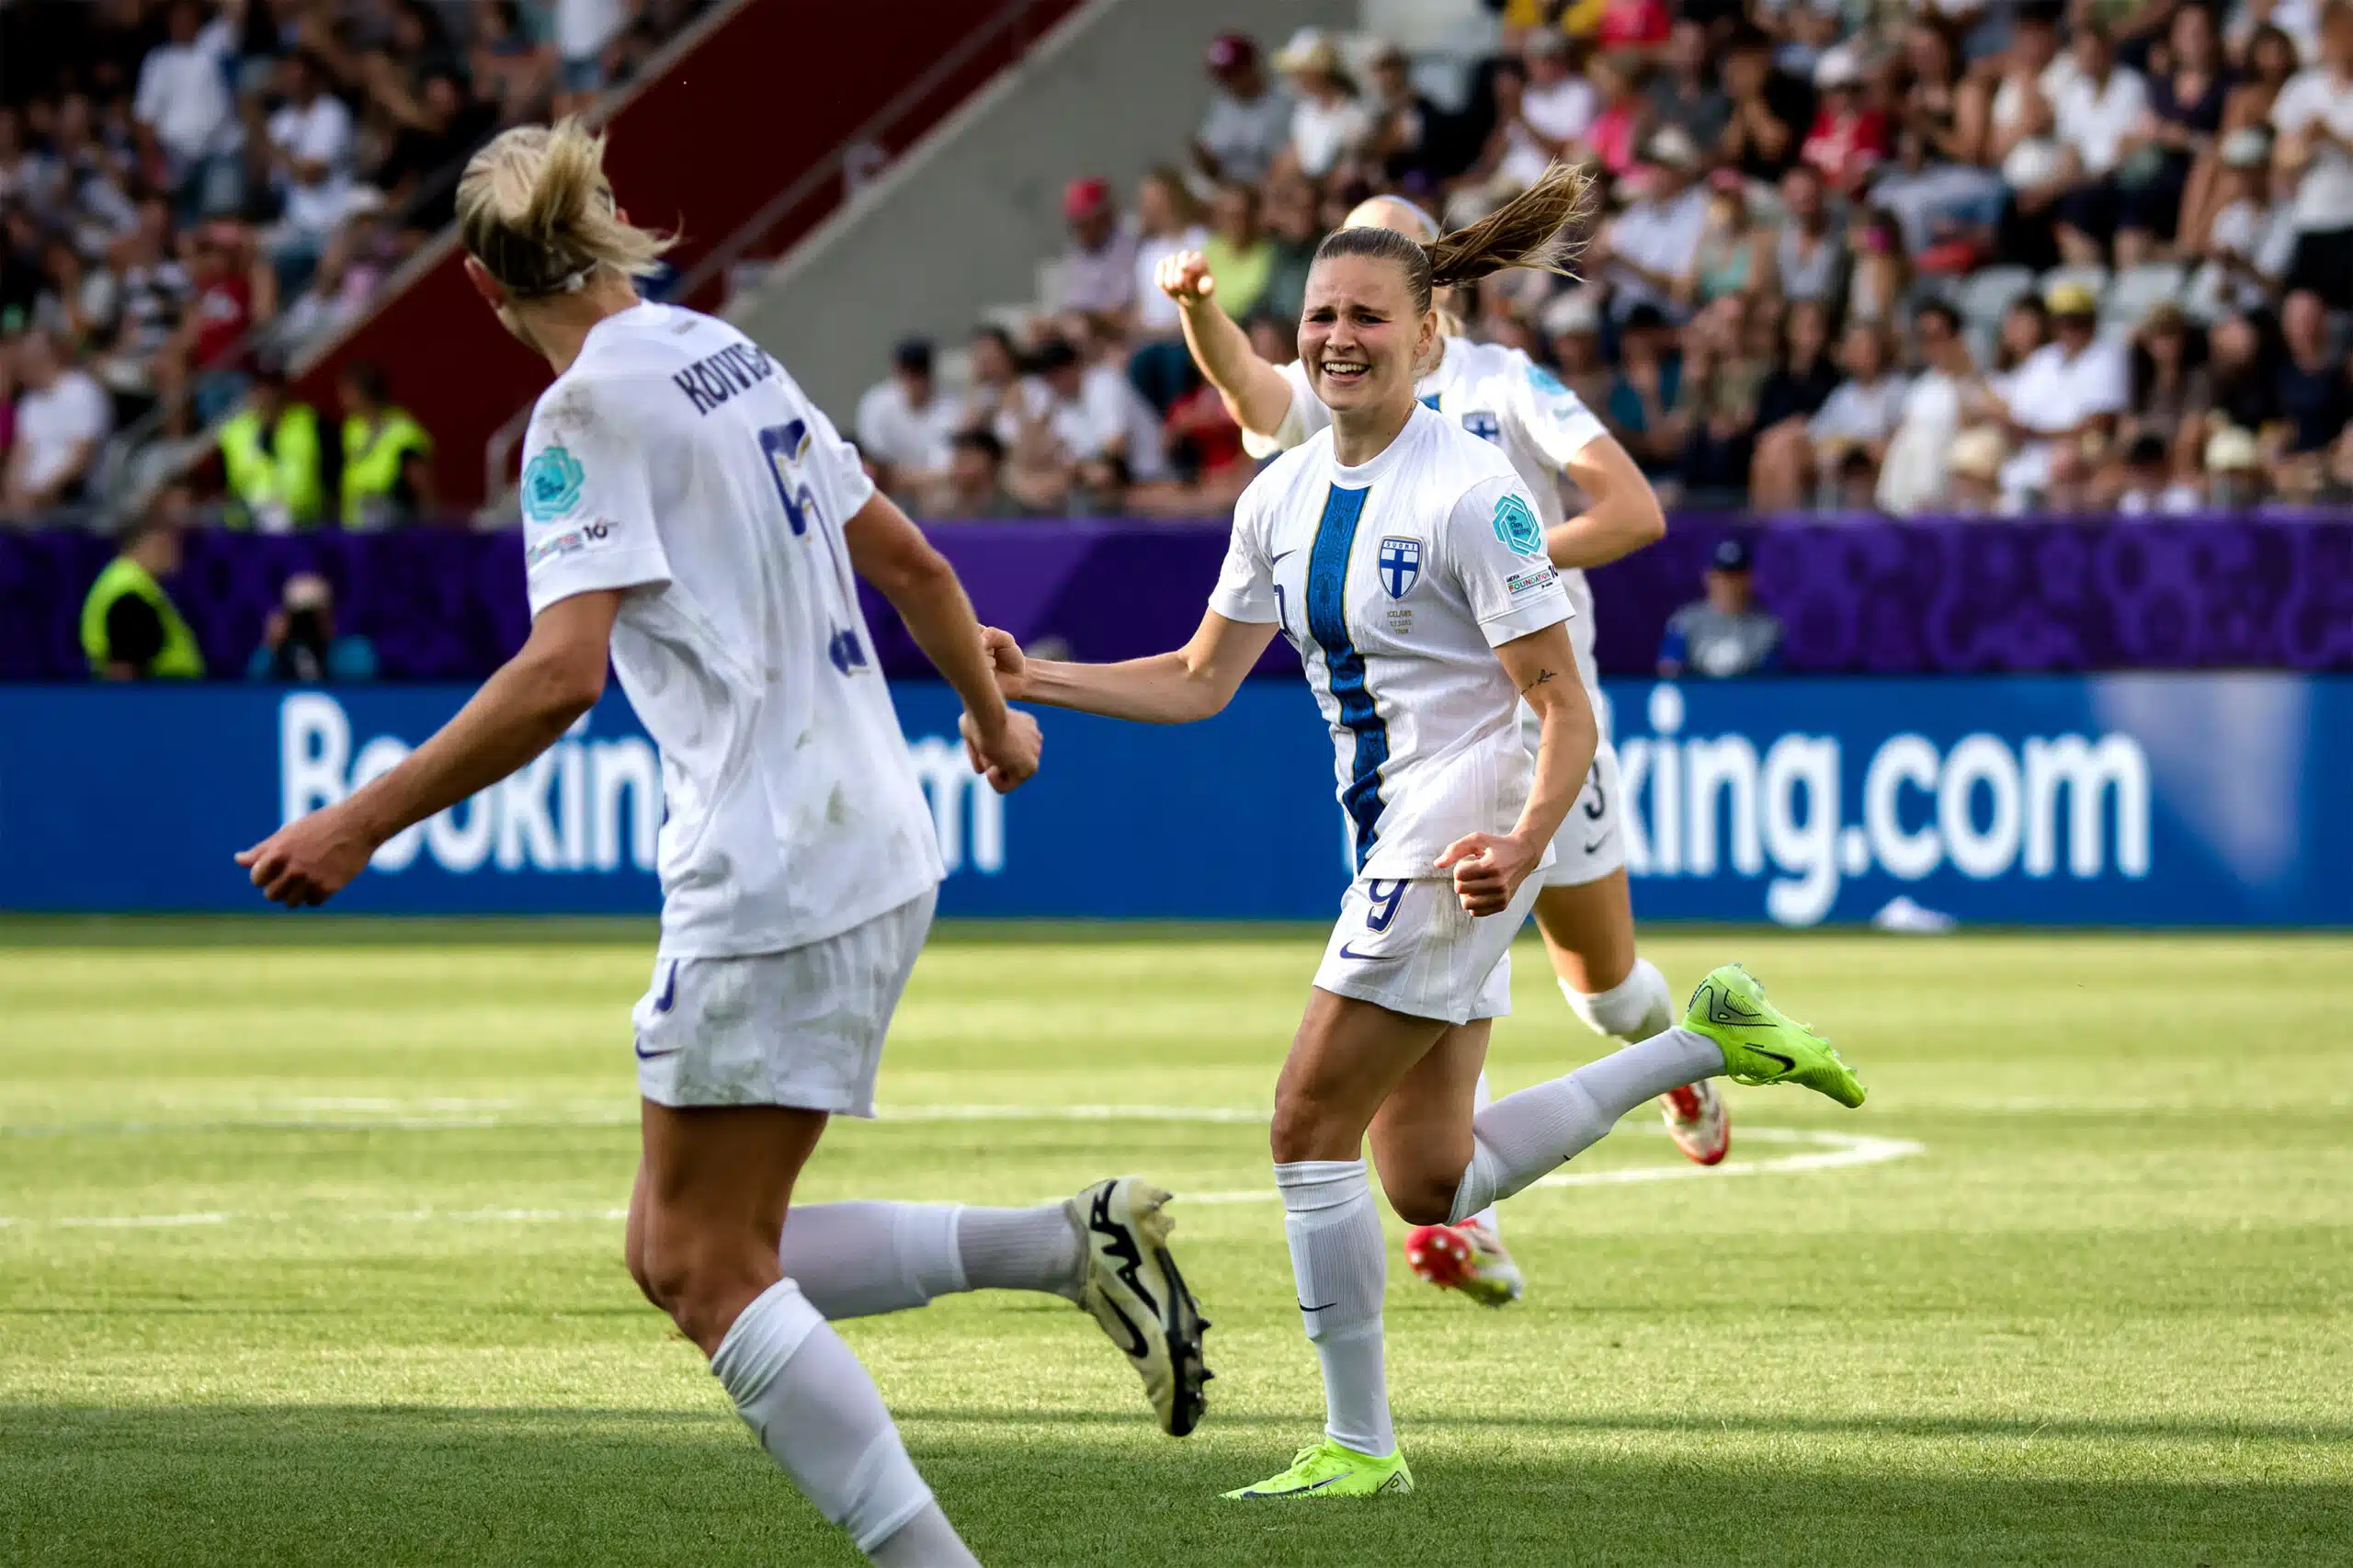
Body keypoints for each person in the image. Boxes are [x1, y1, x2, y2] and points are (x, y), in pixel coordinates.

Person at [233, 120, 1210, 1568]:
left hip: (774, 857)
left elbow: (560, 674)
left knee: (702, 1264)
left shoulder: (581, 416)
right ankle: (1068, 1245)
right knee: (680, 1245)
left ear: (482, 289)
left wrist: (358, 816)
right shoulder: (725, 352)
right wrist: (993, 717)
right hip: (877, 832)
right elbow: (914, 561)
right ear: (606, 227)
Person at [985, 173, 1865, 1499]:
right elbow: (1199, 678)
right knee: (1432, 1180)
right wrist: (1032, 677)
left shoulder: (1474, 491)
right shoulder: (1281, 493)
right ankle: (1705, 1040)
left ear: (1424, 330)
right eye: (1321, 315)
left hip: (1454, 833)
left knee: (1305, 1121)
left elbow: (1560, 702)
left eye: (1367, 317)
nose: (1338, 337)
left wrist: (1522, 840)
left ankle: (1358, 1443)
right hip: (1392, 826)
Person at [1156, 179, 1745, 1308]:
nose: (1348, 315)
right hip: (1420, 750)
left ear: (1435, 296)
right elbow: (1251, 392)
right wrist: (1196, 309)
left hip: (1539, 718)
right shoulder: (1342, 391)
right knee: (1420, 984)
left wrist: (1493, 561)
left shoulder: (1505, 385)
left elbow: (1631, 511)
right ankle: (1460, 1214)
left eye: (1384, 272)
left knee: (1605, 991)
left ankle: (1672, 1058)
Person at [82, 489, 205, 680]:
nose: (180, 551)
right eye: (174, 540)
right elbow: (122, 673)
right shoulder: (129, 597)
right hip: (162, 696)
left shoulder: (130, 583)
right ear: (153, 541)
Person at [3, 328, 111, 520]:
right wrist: (12, 492)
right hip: (27, 500)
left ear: (42, 360)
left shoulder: (82, 392)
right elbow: (20, 453)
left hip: (68, 499)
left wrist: (39, 496)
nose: (17, 372)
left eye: (22, 362)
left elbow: (81, 458)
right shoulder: (30, 400)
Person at [218, 363, 325, 530]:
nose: (266, 396)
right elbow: (224, 486)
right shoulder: (234, 433)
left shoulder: (310, 423)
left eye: (271, 388)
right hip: (251, 527)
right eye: (259, 389)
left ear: (284, 390)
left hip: (304, 525)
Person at [1659, 537, 1782, 676]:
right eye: (1722, 576)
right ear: (1708, 578)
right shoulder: (1684, 622)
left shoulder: (1767, 629)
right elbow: (1669, 672)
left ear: (1750, 579)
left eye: (1736, 576)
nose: (1729, 584)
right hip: (1695, 690)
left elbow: (1770, 682)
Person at [855, 338, 960, 499]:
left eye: (919, 373)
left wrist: (905, 478)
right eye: (907, 372)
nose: (913, 380)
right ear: (896, 371)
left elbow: (945, 471)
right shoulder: (876, 403)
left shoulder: (950, 409)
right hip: (883, 491)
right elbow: (874, 465)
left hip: (931, 493)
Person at [244, 571, 378, 680]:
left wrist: (324, 652)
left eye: (313, 615)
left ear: (329, 613)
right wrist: (271, 647)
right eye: (299, 617)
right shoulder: (275, 656)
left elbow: (361, 683)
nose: (306, 623)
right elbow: (254, 686)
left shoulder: (355, 651)